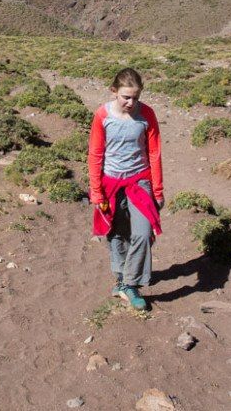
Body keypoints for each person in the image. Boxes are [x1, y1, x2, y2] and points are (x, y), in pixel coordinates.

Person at [88, 68, 163, 310]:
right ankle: (121, 278)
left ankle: (130, 284)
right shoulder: (102, 116)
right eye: (125, 97)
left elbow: (154, 152)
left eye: (135, 97)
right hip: (111, 182)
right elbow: (95, 154)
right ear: (114, 92)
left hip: (139, 182)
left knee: (142, 233)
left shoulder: (147, 115)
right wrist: (96, 191)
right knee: (116, 232)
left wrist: (158, 190)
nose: (131, 102)